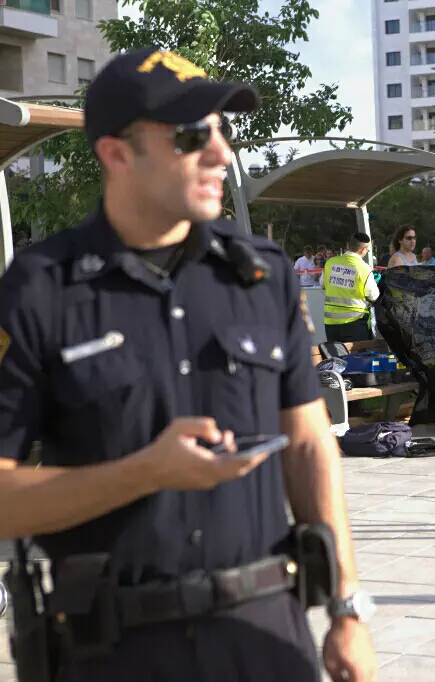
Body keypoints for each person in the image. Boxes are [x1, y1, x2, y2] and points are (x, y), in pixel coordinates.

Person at [0, 48, 377, 682]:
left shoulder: (262, 275)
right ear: (117, 154)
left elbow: (309, 446)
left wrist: (347, 608)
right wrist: (143, 472)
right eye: (191, 135)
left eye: (223, 130)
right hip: (115, 652)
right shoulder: (41, 290)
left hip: (264, 638)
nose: (221, 153)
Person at [322, 233, 379, 344]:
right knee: (358, 360)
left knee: (337, 360)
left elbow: (323, 284)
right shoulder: (364, 268)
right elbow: (374, 296)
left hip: (331, 323)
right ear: (363, 249)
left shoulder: (330, 263)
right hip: (355, 323)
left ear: (349, 246)